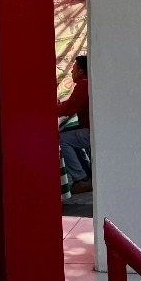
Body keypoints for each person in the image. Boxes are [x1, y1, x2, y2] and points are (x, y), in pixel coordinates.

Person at [58, 55, 92, 193]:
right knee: (71, 137)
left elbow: (69, 109)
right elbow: (70, 105)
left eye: (73, 69)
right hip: (93, 130)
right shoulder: (87, 83)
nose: (71, 72)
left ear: (80, 71)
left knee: (62, 139)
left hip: (92, 132)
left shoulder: (84, 84)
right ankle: (86, 173)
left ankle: (80, 179)